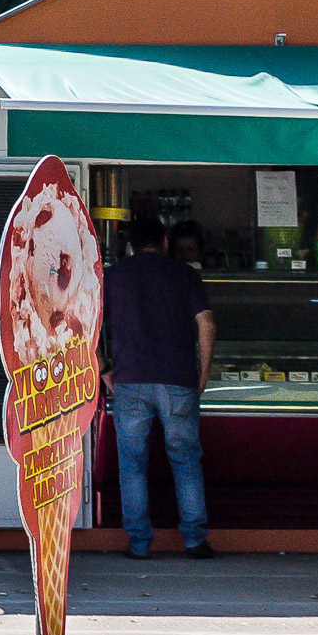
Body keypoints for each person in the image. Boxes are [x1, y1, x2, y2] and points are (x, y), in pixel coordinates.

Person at [103, 215, 217, 560]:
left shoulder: (113, 276)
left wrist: (104, 371)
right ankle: (194, 540)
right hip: (178, 380)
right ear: (165, 241)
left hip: (130, 381)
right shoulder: (185, 274)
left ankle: (139, 544)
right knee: (185, 460)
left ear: (130, 245)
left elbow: (87, 326)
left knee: (132, 464)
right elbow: (207, 323)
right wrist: (203, 373)